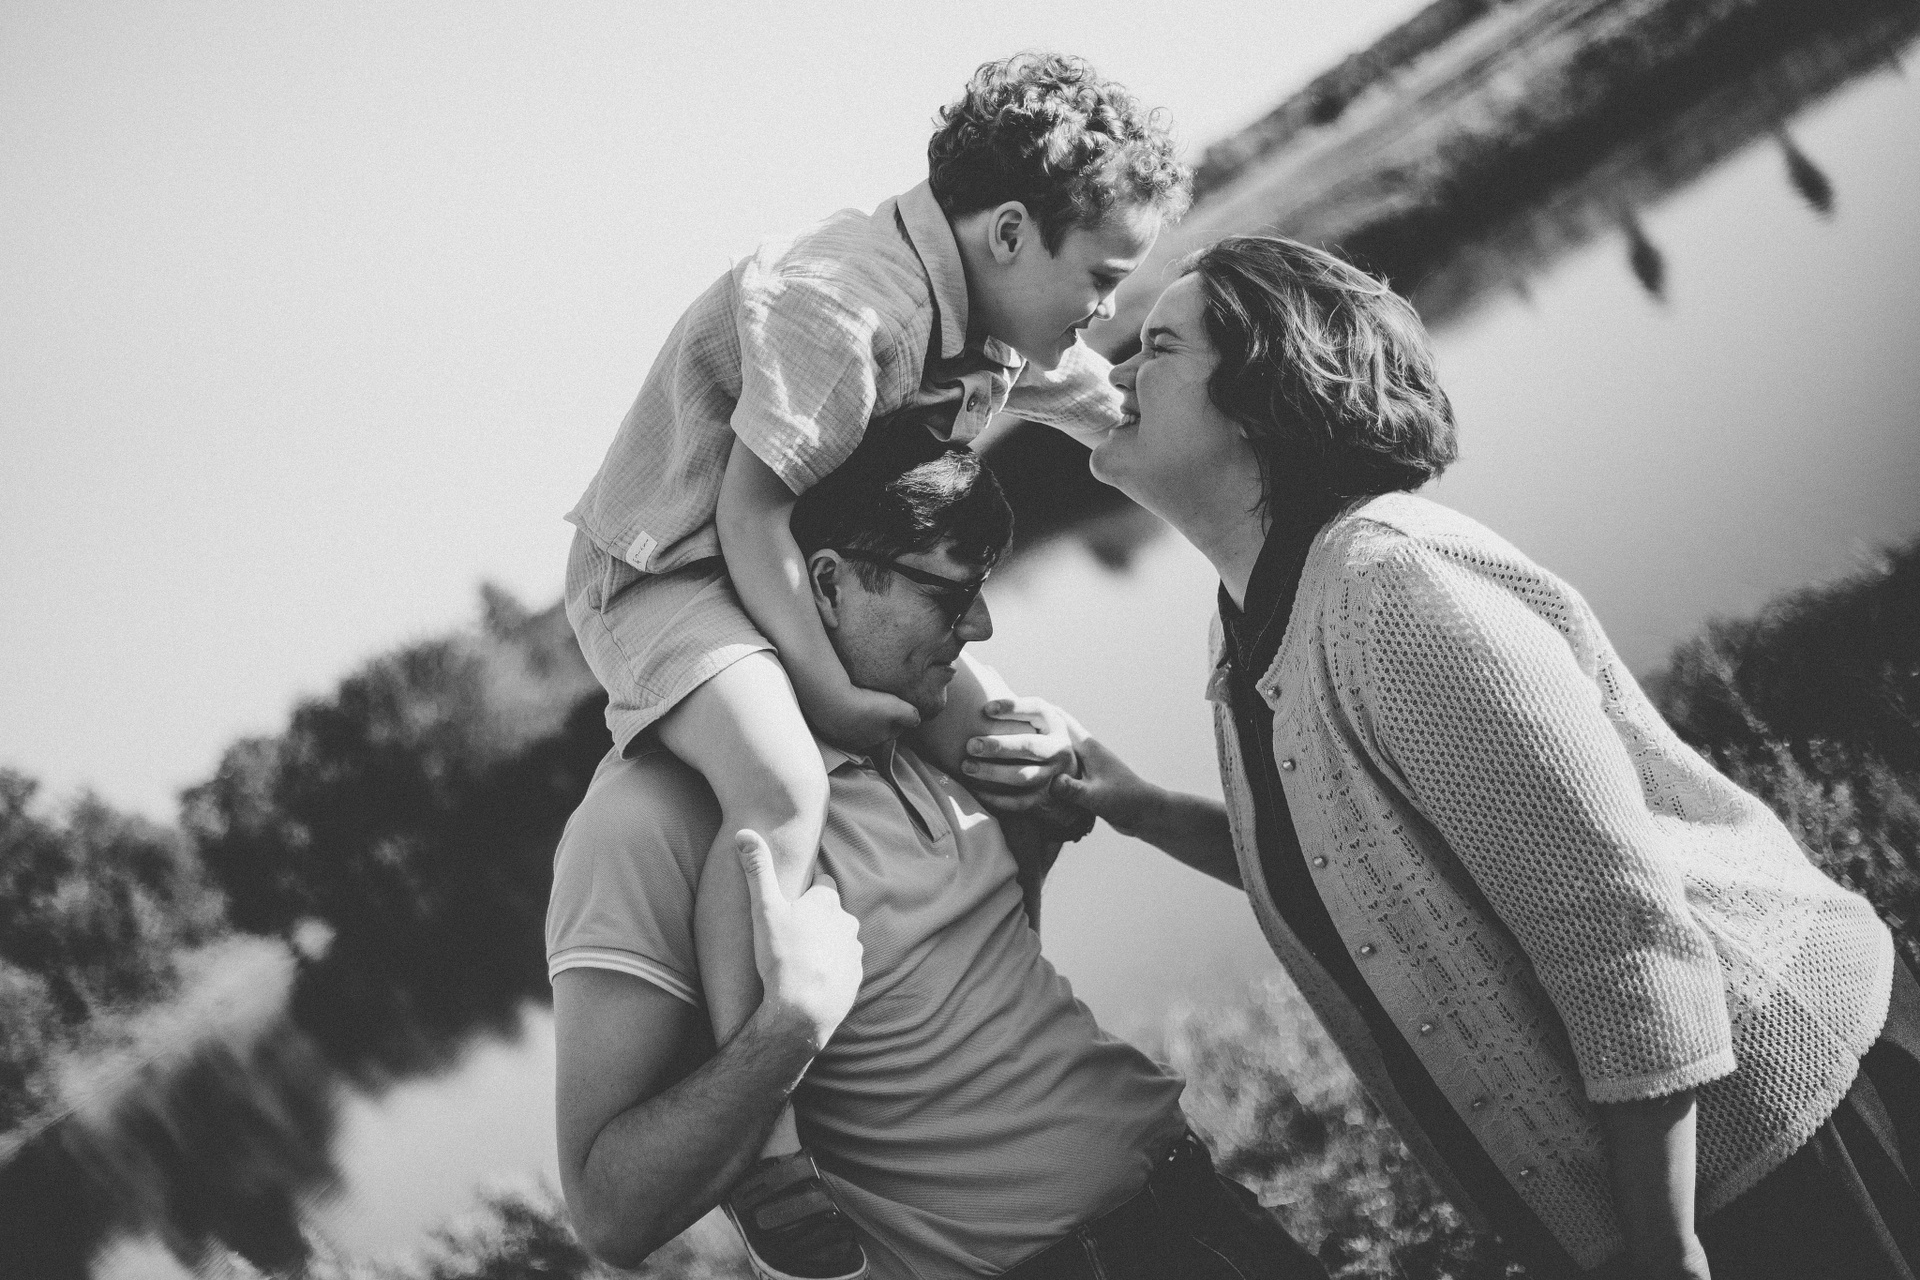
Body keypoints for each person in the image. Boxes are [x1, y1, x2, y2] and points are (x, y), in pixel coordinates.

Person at [1047, 235, 1918, 1280]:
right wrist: (1141, 806)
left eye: (1157, 348)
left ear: (1261, 398)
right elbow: (1357, 868)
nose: (1114, 373)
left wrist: (1662, 1242)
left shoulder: (1392, 591)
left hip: (1776, 1128)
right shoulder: (1252, 619)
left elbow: (1619, 929)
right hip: (1678, 1179)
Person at [560, 53, 1189, 1279]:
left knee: (1002, 743)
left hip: (788, 560)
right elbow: (749, 514)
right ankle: (770, 1142)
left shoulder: (983, 315)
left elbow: (1089, 395)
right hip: (667, 575)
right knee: (782, 782)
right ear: (1009, 232)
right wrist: (831, 689)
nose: (1106, 306)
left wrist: (1199, 428)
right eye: (1102, 278)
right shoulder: (851, 310)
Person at [548, 432, 1327, 1280]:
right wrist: (786, 1031)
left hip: (1195, 1207)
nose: (981, 624)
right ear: (828, 584)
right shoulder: (646, 820)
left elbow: (983, 985)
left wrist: (1047, 827)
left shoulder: (927, 713)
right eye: (950, 594)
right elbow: (611, 1215)